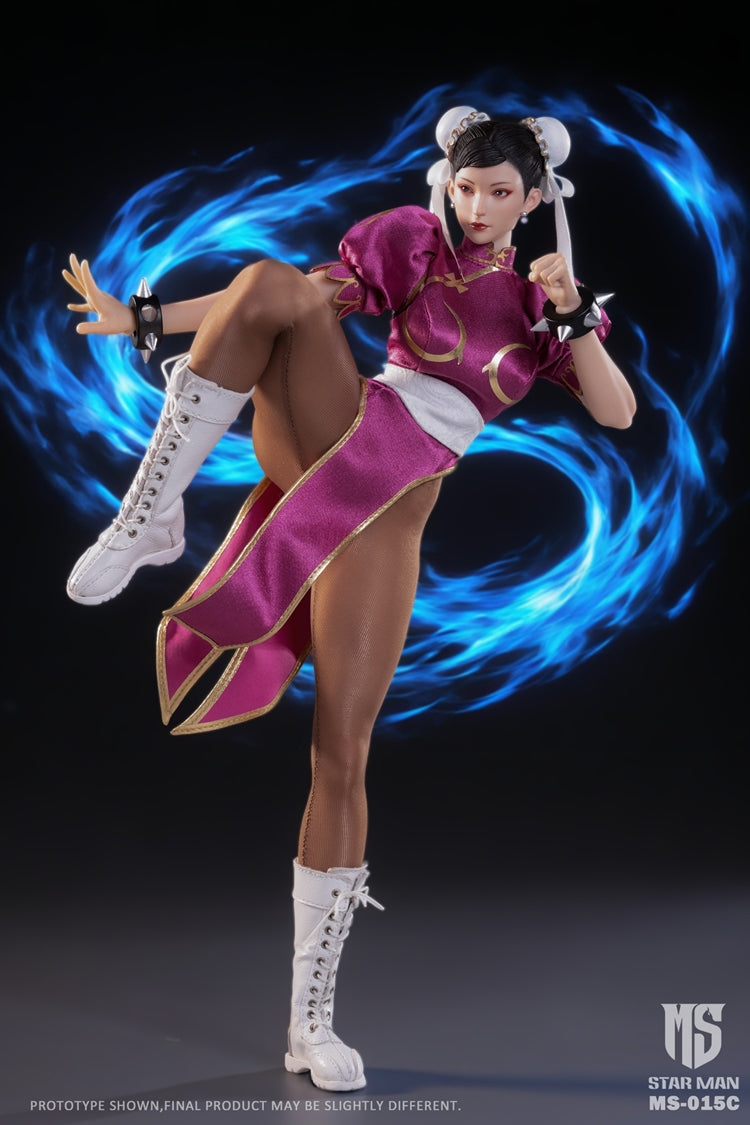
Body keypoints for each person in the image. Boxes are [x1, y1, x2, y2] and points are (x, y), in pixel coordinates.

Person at [62, 106, 636, 1092]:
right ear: (447, 183)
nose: (480, 206)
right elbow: (289, 299)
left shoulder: (541, 303)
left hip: (392, 516)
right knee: (273, 284)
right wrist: (145, 322)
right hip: (336, 431)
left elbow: (616, 410)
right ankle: (148, 518)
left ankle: (309, 1022)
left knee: (342, 754)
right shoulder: (414, 245)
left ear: (536, 198)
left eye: (501, 192)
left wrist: (573, 311)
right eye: (467, 187)